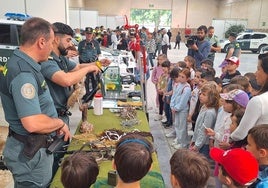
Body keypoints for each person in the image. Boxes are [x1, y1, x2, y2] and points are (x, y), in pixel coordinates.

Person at [0, 17, 71, 187]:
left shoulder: (22, 62)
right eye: (51, 43)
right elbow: (32, 123)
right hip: (30, 156)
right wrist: (58, 123)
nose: (52, 48)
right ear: (41, 42)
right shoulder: (23, 72)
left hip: (30, 150)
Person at [41, 22, 105, 124]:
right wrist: (89, 69)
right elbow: (66, 80)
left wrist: (98, 64)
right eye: (68, 40)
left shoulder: (61, 58)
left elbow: (78, 67)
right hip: (52, 117)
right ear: (56, 39)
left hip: (62, 114)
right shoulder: (48, 61)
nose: (71, 44)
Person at [231, 53, 268, 141]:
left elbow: (241, 133)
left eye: (258, 69)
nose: (255, 73)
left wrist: (230, 139)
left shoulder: (258, 101)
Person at [190, 83, 219, 158]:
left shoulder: (209, 112)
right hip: (198, 141)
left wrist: (197, 145)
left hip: (203, 144)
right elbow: (198, 126)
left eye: (204, 94)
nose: (200, 96)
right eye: (200, 93)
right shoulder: (204, 106)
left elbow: (204, 131)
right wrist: (194, 139)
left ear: (211, 98)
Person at [78, 27, 102, 100]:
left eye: (90, 34)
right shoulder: (81, 43)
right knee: (85, 81)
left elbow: (98, 54)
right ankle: (87, 95)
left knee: (95, 80)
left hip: (94, 64)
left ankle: (95, 95)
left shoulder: (96, 43)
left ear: (92, 34)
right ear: (85, 34)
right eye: (87, 33)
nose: (89, 35)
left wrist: (95, 63)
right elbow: (79, 53)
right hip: (84, 64)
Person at [170, 68, 191, 149]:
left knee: (182, 127)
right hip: (176, 108)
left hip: (182, 110)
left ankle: (183, 143)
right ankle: (179, 140)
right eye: (180, 76)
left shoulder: (187, 88)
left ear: (187, 78)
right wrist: (172, 106)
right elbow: (174, 95)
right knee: (177, 125)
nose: (181, 78)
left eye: (183, 77)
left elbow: (183, 102)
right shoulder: (178, 85)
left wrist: (176, 108)